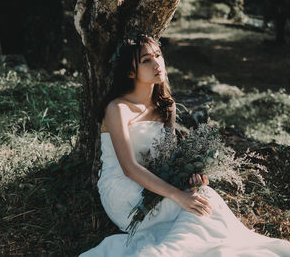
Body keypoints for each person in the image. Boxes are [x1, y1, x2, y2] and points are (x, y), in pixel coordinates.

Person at [79, 34, 290, 256]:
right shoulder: (118, 108)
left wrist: (190, 177)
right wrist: (178, 195)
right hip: (122, 190)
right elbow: (129, 168)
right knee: (190, 204)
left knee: (203, 194)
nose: (156, 63)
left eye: (158, 56)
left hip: (155, 183)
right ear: (131, 72)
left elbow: (168, 159)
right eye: (146, 60)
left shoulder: (167, 107)